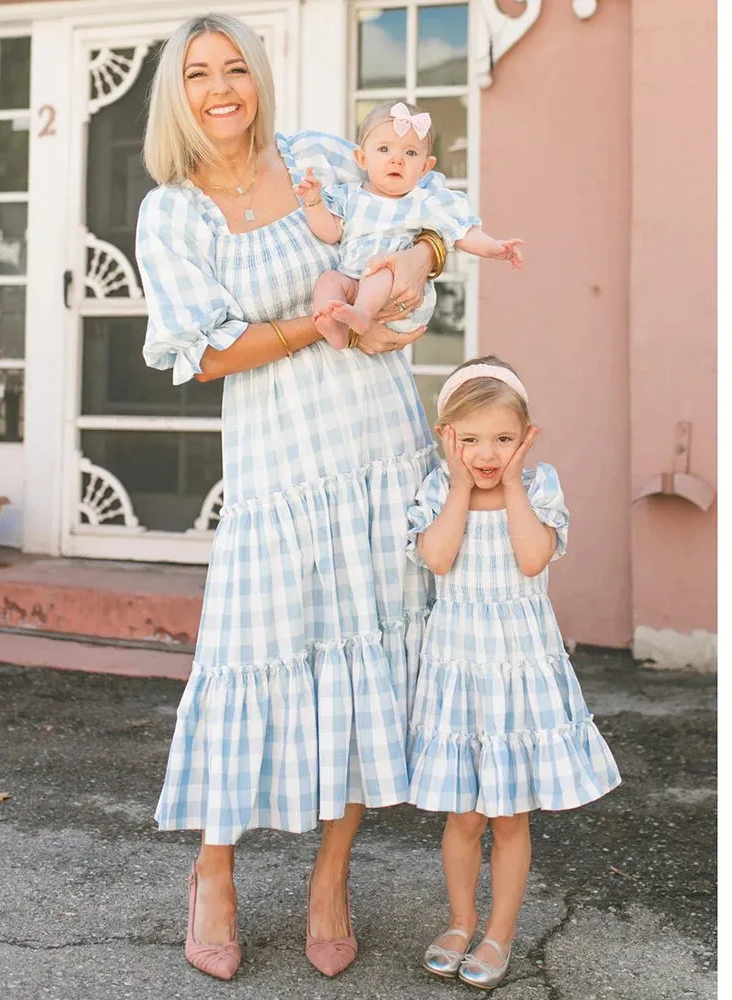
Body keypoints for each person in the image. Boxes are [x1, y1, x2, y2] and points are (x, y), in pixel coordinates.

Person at [135, 12, 450, 982]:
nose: (222, 87)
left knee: (366, 660)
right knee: (252, 660)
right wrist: (321, 321)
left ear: (260, 77)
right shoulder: (173, 213)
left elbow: (426, 224)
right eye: (199, 74)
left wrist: (409, 267)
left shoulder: (320, 156)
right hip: (280, 472)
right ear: (177, 95)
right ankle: (215, 870)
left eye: (237, 68)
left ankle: (329, 878)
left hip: (378, 451)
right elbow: (207, 351)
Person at [405, 357, 621, 989]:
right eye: (469, 439)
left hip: (519, 667)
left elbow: (533, 558)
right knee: (464, 815)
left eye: (502, 438)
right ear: (447, 437)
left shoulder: (539, 484)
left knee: (509, 814)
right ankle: (459, 919)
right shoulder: (440, 487)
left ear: (526, 435)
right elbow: (439, 558)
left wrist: (517, 483)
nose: (486, 453)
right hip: (461, 666)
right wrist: (460, 486)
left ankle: (499, 932)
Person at [294, 101, 524, 349]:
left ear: (425, 168)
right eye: (384, 149)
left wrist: (494, 248)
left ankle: (360, 314)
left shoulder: (423, 202)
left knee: (381, 270)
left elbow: (463, 232)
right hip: (353, 283)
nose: (397, 160)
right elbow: (329, 233)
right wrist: (314, 203)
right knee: (328, 280)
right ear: (362, 158)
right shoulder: (350, 197)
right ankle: (336, 330)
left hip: (397, 291)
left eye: (410, 153)